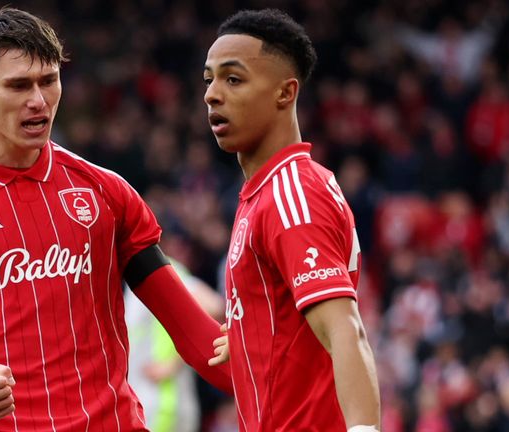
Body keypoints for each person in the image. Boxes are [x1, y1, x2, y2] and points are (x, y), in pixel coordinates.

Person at [0, 5, 231, 431]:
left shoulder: (106, 192)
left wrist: (282, 390)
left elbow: (192, 330)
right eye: (18, 85)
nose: (38, 101)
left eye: (48, 81)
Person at [202, 9, 381, 432]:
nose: (211, 94)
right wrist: (250, 334)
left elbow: (345, 329)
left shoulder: (291, 194)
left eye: (233, 79)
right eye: (208, 79)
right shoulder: (265, 193)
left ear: (285, 93)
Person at [125, 255, 225, 432]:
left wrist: (174, 363)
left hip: (163, 404)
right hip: (149, 404)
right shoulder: (122, 280)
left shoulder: (151, 265)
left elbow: (213, 306)